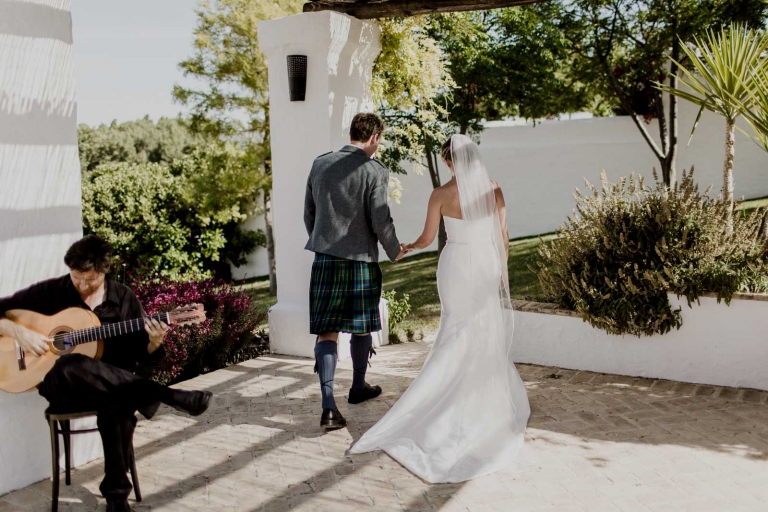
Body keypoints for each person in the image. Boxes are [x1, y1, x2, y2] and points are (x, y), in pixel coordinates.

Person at [350, 134, 530, 483]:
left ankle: (442, 399)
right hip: (485, 264)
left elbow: (428, 238)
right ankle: (481, 401)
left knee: (454, 327)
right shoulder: (493, 190)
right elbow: (503, 234)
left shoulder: (440, 195)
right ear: (474, 159)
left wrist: (409, 247)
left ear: (448, 162)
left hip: (456, 265)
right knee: (481, 327)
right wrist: (501, 272)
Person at [0, 235, 212, 512]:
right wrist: (19, 331)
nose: (83, 285)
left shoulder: (122, 298)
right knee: (68, 363)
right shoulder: (51, 292)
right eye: (77, 277)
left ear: (104, 271)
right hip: (63, 388)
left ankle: (116, 499)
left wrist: (155, 341)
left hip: (114, 386)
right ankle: (167, 395)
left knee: (117, 402)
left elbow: (141, 353)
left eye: (91, 279)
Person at [304, 112, 407, 430]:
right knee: (361, 327)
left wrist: (324, 242)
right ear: (374, 137)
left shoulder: (320, 164)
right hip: (360, 261)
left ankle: (329, 407)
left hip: (325, 259)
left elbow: (310, 214)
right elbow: (380, 218)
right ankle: (358, 386)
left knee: (328, 331)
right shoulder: (374, 170)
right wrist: (395, 250)